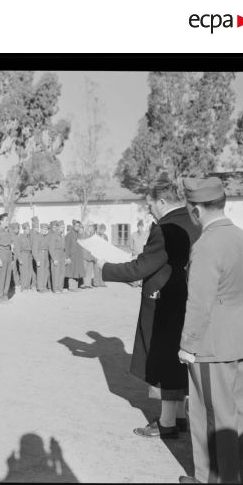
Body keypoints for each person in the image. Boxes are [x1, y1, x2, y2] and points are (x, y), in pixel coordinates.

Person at [99, 173, 201, 439]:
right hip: (186, 297)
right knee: (179, 359)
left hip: (165, 301)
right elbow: (166, 262)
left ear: (163, 201)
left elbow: (142, 265)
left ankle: (166, 423)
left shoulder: (165, 227)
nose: (149, 210)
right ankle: (179, 417)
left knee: (165, 359)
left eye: (150, 205)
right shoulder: (193, 221)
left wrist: (105, 268)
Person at [178, 176, 243, 484]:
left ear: (196, 210)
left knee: (211, 416)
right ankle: (237, 479)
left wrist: (187, 345)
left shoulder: (207, 244)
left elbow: (199, 303)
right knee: (237, 417)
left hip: (213, 344)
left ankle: (213, 484)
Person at [0, 213, 14, 304]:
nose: (7, 222)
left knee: (8, 276)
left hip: (8, 254)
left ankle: (5, 296)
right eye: (6, 220)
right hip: (1, 253)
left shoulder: (8, 231)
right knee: (1, 277)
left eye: (8, 220)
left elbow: (11, 242)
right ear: (1, 221)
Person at [64, 220, 85, 291]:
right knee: (71, 272)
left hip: (78, 257)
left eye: (79, 226)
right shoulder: (69, 235)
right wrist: (67, 257)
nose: (77, 227)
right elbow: (66, 247)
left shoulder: (78, 235)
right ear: (73, 226)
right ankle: (71, 287)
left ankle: (75, 286)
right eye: (76, 226)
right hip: (71, 256)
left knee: (77, 271)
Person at [129, 220, 149, 287]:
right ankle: (135, 283)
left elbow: (149, 240)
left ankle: (141, 283)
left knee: (142, 269)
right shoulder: (133, 234)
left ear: (143, 227)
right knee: (135, 268)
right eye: (139, 226)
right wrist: (133, 251)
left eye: (141, 226)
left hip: (142, 254)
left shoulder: (145, 234)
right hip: (135, 254)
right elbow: (131, 245)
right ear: (137, 226)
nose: (140, 228)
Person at [14, 222, 33, 292]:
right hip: (23, 255)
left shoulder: (29, 237)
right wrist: (19, 258)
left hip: (29, 255)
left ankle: (28, 286)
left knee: (29, 271)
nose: (28, 230)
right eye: (27, 229)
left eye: (29, 229)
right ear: (24, 229)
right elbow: (17, 249)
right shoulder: (20, 237)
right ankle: (24, 287)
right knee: (24, 272)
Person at [48, 220, 65, 294]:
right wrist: (54, 258)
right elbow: (51, 248)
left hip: (62, 255)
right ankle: (55, 289)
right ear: (57, 227)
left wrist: (65, 257)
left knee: (62, 272)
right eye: (62, 227)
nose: (63, 229)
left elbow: (64, 248)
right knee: (56, 272)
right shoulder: (53, 235)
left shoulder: (62, 236)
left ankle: (60, 288)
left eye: (64, 227)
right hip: (56, 255)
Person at [33, 223, 50, 293]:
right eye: (44, 229)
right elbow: (34, 249)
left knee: (46, 271)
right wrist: (37, 259)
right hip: (40, 254)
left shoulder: (46, 237)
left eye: (46, 229)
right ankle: (40, 287)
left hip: (46, 254)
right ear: (41, 229)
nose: (45, 231)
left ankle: (44, 286)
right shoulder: (37, 237)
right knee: (40, 272)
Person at [9, 222, 21, 291]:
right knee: (13, 269)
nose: (17, 230)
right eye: (16, 229)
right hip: (12, 255)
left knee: (16, 269)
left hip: (17, 254)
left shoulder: (18, 236)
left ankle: (16, 283)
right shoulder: (11, 236)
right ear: (13, 229)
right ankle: (14, 284)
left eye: (18, 229)